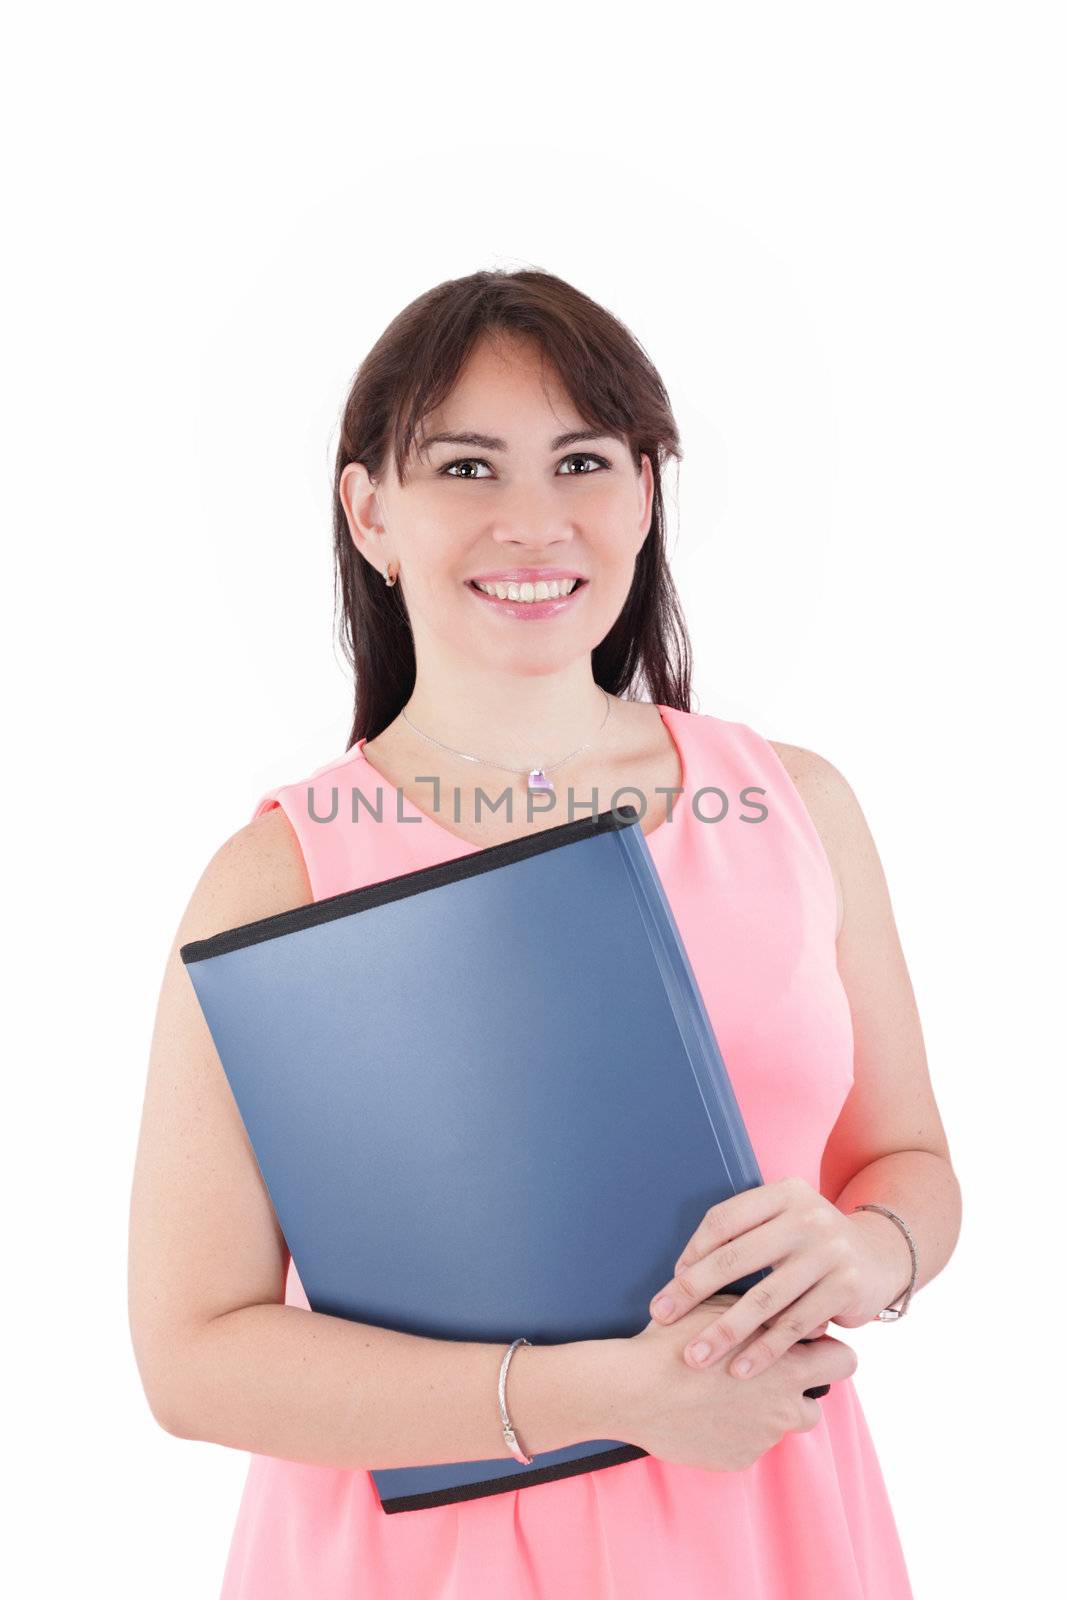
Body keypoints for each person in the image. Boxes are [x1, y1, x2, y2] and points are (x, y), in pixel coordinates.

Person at [128, 267, 960, 1598]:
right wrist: (602, 1395)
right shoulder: (278, 873)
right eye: (466, 467)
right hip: (419, 1567)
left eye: (583, 461)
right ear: (371, 513)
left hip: (768, 1532)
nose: (534, 521)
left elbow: (907, 1160)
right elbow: (190, 1354)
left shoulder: (796, 806)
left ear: (645, 493)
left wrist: (874, 1251)